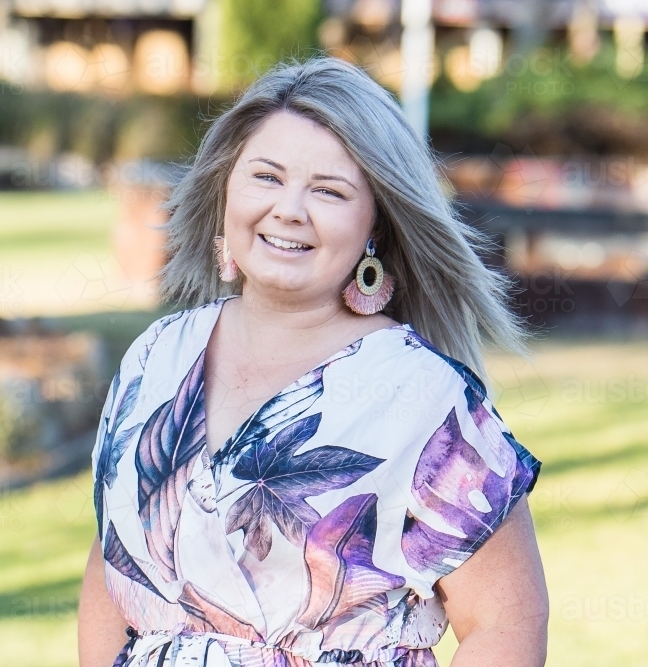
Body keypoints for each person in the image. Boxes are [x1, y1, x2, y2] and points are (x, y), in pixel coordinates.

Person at [79, 57, 547, 667]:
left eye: (328, 191)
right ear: (225, 191)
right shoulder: (156, 358)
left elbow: (505, 621)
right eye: (266, 177)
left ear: (375, 225)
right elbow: (113, 569)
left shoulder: (422, 395)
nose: (289, 210)